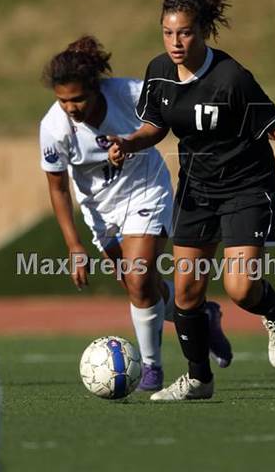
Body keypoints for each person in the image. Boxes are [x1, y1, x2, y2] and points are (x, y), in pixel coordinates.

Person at [108, 0, 275, 401]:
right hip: (197, 189)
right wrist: (128, 142)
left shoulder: (231, 78)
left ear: (202, 32)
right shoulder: (159, 71)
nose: (175, 42)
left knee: (241, 288)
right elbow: (155, 125)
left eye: (184, 33)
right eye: (168, 33)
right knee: (186, 291)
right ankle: (199, 380)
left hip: (246, 186)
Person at [39, 35, 233, 392]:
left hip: (146, 189)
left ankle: (151, 369)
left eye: (78, 98)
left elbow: (171, 108)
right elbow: (58, 188)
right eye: (63, 100)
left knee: (139, 278)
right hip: (100, 211)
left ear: (96, 87)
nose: (72, 107)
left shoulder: (129, 93)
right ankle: (203, 316)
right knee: (139, 286)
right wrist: (74, 246)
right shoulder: (53, 128)